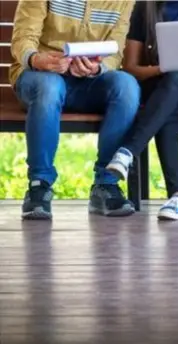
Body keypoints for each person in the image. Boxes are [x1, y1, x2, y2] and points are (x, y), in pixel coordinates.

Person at [10, 0, 138, 220]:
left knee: (127, 86)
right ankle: (39, 186)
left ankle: (106, 184)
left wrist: (98, 67)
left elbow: (115, 52)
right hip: (39, 78)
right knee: (50, 86)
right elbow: (23, 38)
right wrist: (37, 59)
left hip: (88, 81)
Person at [106, 1, 178, 221]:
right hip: (161, 88)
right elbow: (131, 68)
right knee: (172, 87)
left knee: (172, 89)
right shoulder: (145, 6)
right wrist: (163, 68)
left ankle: (128, 151)